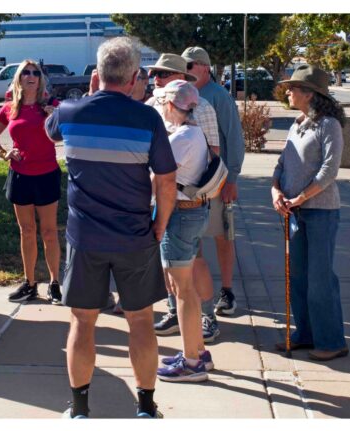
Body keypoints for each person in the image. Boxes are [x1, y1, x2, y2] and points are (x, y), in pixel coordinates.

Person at [45, 37, 177, 418]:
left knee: (82, 323)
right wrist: (159, 225)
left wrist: (88, 95)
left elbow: (50, 131)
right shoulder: (148, 118)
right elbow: (166, 181)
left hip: (85, 239)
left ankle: (80, 411)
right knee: (141, 322)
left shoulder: (70, 112)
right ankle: (146, 410)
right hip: (135, 236)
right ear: (135, 77)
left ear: (96, 74)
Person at [271, 65, 347, 361]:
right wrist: (276, 191)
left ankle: (332, 341)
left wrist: (302, 197)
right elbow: (281, 166)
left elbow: (329, 170)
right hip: (293, 213)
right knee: (298, 277)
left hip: (320, 212)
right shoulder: (296, 124)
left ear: (310, 94)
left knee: (320, 279)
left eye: (293, 87)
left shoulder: (328, 125)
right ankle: (305, 334)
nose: (288, 92)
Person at [143, 54, 221, 339]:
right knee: (175, 269)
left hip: (181, 205)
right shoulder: (165, 111)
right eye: (155, 75)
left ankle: (201, 330)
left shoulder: (198, 116)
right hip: (177, 205)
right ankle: (177, 315)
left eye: (163, 75)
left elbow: (163, 174)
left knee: (186, 273)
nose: (156, 80)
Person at [150, 80, 214, 383]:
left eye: (164, 101)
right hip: (193, 213)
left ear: (173, 105)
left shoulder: (180, 139)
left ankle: (191, 363)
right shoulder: (193, 133)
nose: (161, 106)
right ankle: (197, 350)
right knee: (185, 287)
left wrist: (158, 222)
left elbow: (160, 179)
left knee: (182, 290)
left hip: (180, 216)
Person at [0, 59, 63, 304]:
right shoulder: (10, 108)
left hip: (47, 174)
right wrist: (4, 152)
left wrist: (56, 118)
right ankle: (29, 284)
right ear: (18, 78)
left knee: (49, 232)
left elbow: (66, 135)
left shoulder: (51, 105)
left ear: (40, 79)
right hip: (20, 176)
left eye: (35, 73)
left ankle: (54, 284)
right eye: (25, 73)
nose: (31, 76)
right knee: (27, 231)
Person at [182, 47, 246, 331]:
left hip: (217, 179)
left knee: (222, 235)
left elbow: (234, 138)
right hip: (190, 184)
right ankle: (199, 292)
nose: (187, 69)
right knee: (194, 241)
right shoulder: (183, 94)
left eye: (191, 64)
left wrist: (232, 178)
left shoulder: (219, 97)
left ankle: (227, 291)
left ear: (205, 68)